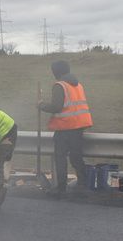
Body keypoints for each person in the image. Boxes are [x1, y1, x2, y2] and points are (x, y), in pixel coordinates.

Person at [37, 59, 93, 195]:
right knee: (76, 157)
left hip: (65, 127)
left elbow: (57, 106)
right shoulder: (78, 84)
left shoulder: (60, 85)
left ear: (56, 71)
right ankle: (83, 186)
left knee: (60, 158)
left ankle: (61, 189)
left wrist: (41, 105)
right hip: (78, 126)